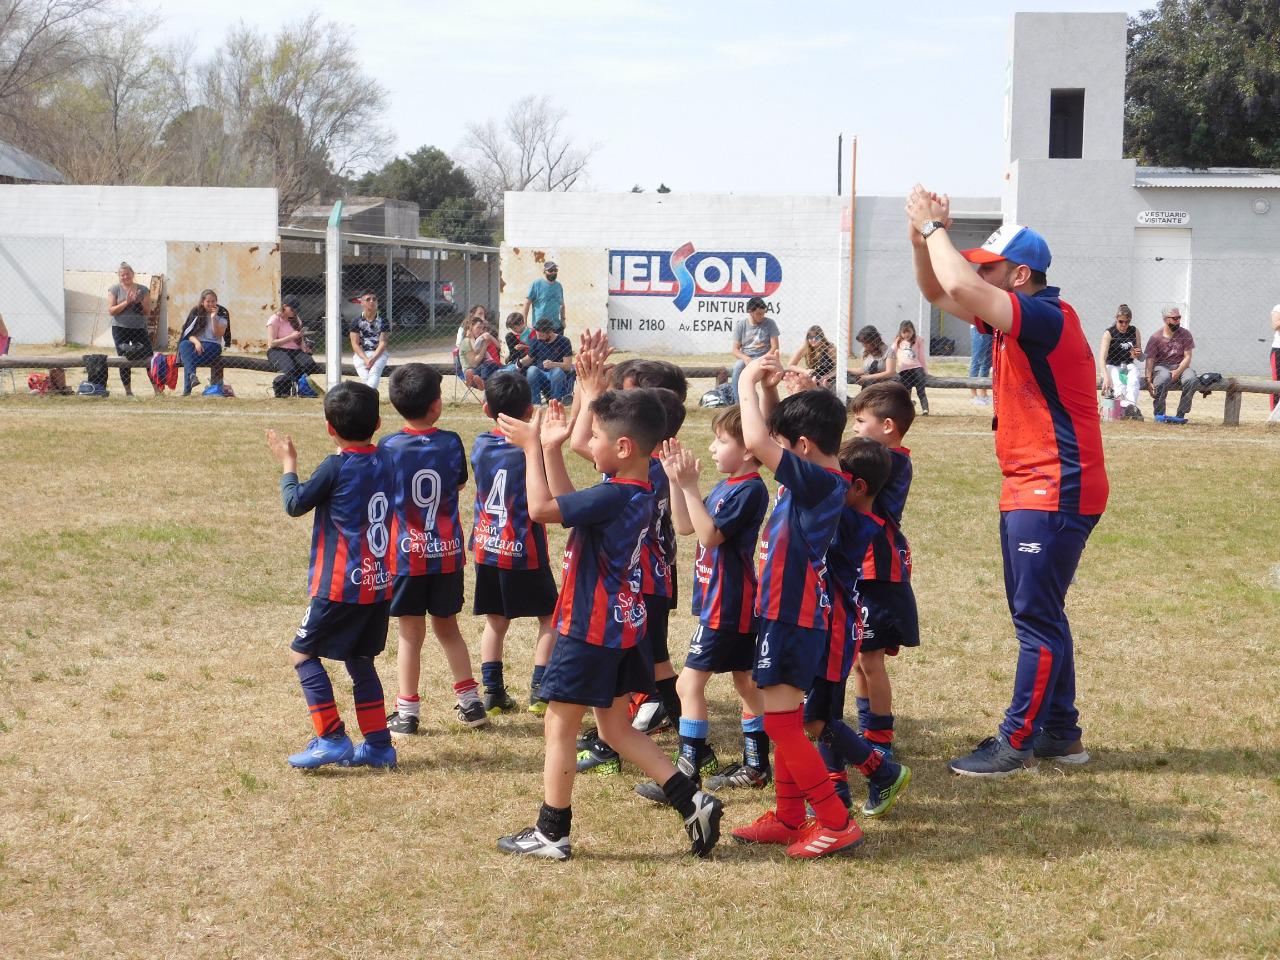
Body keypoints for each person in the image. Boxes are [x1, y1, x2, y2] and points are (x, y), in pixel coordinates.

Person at [906, 189, 1107, 777]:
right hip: (1035, 485)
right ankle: (1060, 734)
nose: (978, 274)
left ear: (1021, 274)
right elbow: (939, 291)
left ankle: (1015, 740)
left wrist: (935, 227)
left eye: (991, 268)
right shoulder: (1014, 319)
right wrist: (919, 235)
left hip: (1053, 487)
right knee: (1043, 611)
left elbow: (962, 288)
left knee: (1035, 617)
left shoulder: (1045, 317)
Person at [494, 386, 723, 861]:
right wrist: (553, 448)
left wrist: (533, 448)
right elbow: (570, 503)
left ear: (624, 447)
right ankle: (691, 799)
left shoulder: (614, 495)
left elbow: (542, 510)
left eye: (595, 436)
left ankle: (551, 832)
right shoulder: (636, 490)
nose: (590, 443)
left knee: (558, 726)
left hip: (590, 630)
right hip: (624, 626)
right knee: (615, 730)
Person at [727, 351, 866, 859]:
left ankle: (834, 820)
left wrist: (743, 381)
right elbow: (779, 435)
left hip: (794, 617)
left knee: (782, 724)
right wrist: (770, 390)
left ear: (802, 448)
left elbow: (760, 441)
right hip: (782, 615)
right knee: (781, 718)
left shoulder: (821, 483)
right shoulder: (813, 474)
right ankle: (788, 817)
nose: (775, 457)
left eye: (787, 449)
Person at [263, 382, 397, 770]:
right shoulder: (387, 459)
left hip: (339, 586)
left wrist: (288, 463)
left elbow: (294, 504)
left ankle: (331, 737)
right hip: (377, 583)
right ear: (377, 422)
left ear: (328, 428)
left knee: (301, 652)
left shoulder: (335, 466)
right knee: (360, 661)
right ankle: (378, 746)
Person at [661, 409, 772, 793]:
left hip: (729, 603)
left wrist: (691, 487)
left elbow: (710, 537)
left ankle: (687, 772)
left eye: (722, 441)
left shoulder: (751, 488)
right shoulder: (728, 485)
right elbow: (686, 526)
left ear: (747, 451)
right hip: (722, 600)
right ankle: (757, 765)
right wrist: (677, 482)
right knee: (746, 682)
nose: (712, 447)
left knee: (688, 685)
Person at [803, 435, 912, 819]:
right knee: (821, 714)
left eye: (838, 479)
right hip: (831, 627)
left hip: (834, 632)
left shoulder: (849, 520)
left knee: (816, 717)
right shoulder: (849, 512)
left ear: (858, 487)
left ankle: (880, 769)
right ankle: (836, 787)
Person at [378, 363, 488, 734]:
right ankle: (471, 704)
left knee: (410, 635)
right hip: (446, 553)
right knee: (449, 629)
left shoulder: (388, 446)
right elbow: (456, 485)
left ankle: (407, 713)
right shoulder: (450, 441)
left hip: (406, 556)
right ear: (437, 406)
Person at [470, 372, 559, 716]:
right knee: (550, 616)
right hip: (523, 548)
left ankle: (492, 693)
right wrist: (535, 438)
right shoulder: (529, 452)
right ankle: (540, 690)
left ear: (486, 410)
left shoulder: (480, 444)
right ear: (530, 410)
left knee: (495, 621)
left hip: (488, 547)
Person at [848, 382, 920, 761]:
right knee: (860, 658)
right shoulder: (876, 456)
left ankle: (880, 739)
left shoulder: (894, 462)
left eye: (861, 421)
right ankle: (866, 731)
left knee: (871, 660)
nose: (855, 428)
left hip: (879, 572)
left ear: (888, 426)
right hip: (859, 570)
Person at [106, 263, 155, 397]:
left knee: (149, 356)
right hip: (120, 329)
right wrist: (126, 302)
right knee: (124, 359)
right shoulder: (114, 289)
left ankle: (157, 389)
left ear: (133, 274)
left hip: (138, 328)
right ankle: (128, 391)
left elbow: (147, 311)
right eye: (122, 275)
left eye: (128, 274)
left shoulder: (143, 290)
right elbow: (111, 311)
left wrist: (137, 302)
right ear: (119, 276)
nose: (125, 277)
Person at [1144, 306, 1197, 421]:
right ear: (1165, 319)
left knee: (1191, 379)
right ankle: (1159, 414)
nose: (1178, 321)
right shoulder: (1155, 337)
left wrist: (1178, 371)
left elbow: (1188, 357)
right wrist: (1148, 380)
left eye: (1179, 318)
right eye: (1174, 318)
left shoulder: (1185, 334)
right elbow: (1150, 360)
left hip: (1181, 366)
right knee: (1163, 377)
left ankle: (1181, 415)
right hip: (1162, 366)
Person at [177, 289, 231, 396]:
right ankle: (192, 376)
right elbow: (188, 335)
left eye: (213, 301)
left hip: (213, 345)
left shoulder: (222, 312)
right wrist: (197, 342)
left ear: (216, 301)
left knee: (189, 358)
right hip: (197, 345)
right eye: (208, 301)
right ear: (202, 302)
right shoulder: (196, 312)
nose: (211, 304)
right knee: (184, 344)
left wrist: (213, 318)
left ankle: (187, 389)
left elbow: (218, 334)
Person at [266, 295, 320, 398]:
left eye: (296, 310)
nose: (294, 312)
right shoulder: (274, 319)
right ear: (285, 306)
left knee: (309, 363)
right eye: (292, 309)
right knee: (289, 368)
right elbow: (271, 343)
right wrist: (290, 337)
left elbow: (300, 339)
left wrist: (304, 347)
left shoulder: (296, 319)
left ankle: (302, 389)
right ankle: (284, 391)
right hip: (277, 350)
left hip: (295, 350)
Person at [729, 296, 780, 402]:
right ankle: (738, 405)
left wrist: (764, 358)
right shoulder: (741, 325)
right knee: (737, 367)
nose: (762, 316)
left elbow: (775, 346)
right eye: (759, 314)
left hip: (765, 357)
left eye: (763, 313)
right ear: (750, 312)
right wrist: (746, 358)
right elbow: (735, 349)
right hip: (748, 358)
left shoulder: (770, 323)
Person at [1098, 304, 1143, 420]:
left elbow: (1141, 357)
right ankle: (1127, 408)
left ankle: (1130, 408)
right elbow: (1102, 358)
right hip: (1112, 365)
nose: (1124, 325)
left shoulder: (1134, 331)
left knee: (1133, 379)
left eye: (1127, 322)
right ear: (1116, 319)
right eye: (1121, 321)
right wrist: (1106, 377)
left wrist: (1137, 354)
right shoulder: (1109, 333)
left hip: (1126, 365)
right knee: (1119, 384)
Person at [518, 318, 574, 403]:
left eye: (541, 336)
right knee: (532, 370)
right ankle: (535, 404)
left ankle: (555, 402)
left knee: (557, 372)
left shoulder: (564, 341)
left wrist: (554, 364)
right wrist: (518, 364)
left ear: (550, 333)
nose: (538, 338)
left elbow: (568, 366)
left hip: (556, 375)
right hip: (540, 373)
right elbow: (529, 359)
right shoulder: (535, 340)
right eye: (537, 335)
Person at [350, 292, 389, 390]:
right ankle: (371, 394)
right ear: (361, 303)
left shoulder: (383, 320)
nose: (372, 301)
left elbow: (383, 342)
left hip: (379, 353)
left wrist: (373, 359)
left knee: (374, 372)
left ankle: (368, 395)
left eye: (374, 299)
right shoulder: (356, 321)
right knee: (365, 375)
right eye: (368, 299)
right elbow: (355, 344)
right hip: (361, 354)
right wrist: (365, 359)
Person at [892, 320, 929, 415]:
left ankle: (925, 409)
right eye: (904, 332)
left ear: (913, 331)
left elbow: (921, 357)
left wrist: (925, 371)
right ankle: (908, 410)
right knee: (906, 391)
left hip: (917, 369)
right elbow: (891, 353)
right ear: (900, 332)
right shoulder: (898, 341)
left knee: (921, 390)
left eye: (909, 331)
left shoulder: (917, 340)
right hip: (904, 371)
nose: (906, 334)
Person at [523, 261, 566, 335]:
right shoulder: (536, 284)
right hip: (540, 328)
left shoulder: (559, 286)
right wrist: (524, 323)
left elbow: (562, 304)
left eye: (555, 270)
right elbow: (527, 304)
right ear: (544, 271)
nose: (553, 272)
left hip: (556, 327)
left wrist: (563, 320)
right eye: (550, 270)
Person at [788, 325, 837, 389]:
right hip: (813, 376)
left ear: (822, 338)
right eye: (810, 337)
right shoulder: (805, 347)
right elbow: (790, 365)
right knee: (786, 372)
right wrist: (805, 371)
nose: (813, 340)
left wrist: (827, 377)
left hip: (830, 377)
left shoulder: (829, 348)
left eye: (817, 338)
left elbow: (839, 369)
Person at [462, 314, 502, 385]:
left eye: (482, 328)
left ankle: (482, 381)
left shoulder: (480, 338)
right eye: (478, 328)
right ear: (470, 328)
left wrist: (490, 337)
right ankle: (481, 382)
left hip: (490, 364)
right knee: (485, 366)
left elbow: (499, 346)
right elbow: (476, 353)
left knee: (487, 365)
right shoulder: (467, 341)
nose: (481, 331)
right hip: (474, 367)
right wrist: (484, 345)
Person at [968, 325, 993, 406]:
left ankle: (983, 394)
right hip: (978, 327)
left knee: (987, 362)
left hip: (990, 326)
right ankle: (973, 395)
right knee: (977, 360)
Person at [1271, 303, 1280, 412]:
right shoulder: (1278, 308)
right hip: (1279, 350)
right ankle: (1275, 415)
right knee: (1277, 383)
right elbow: (1275, 325)